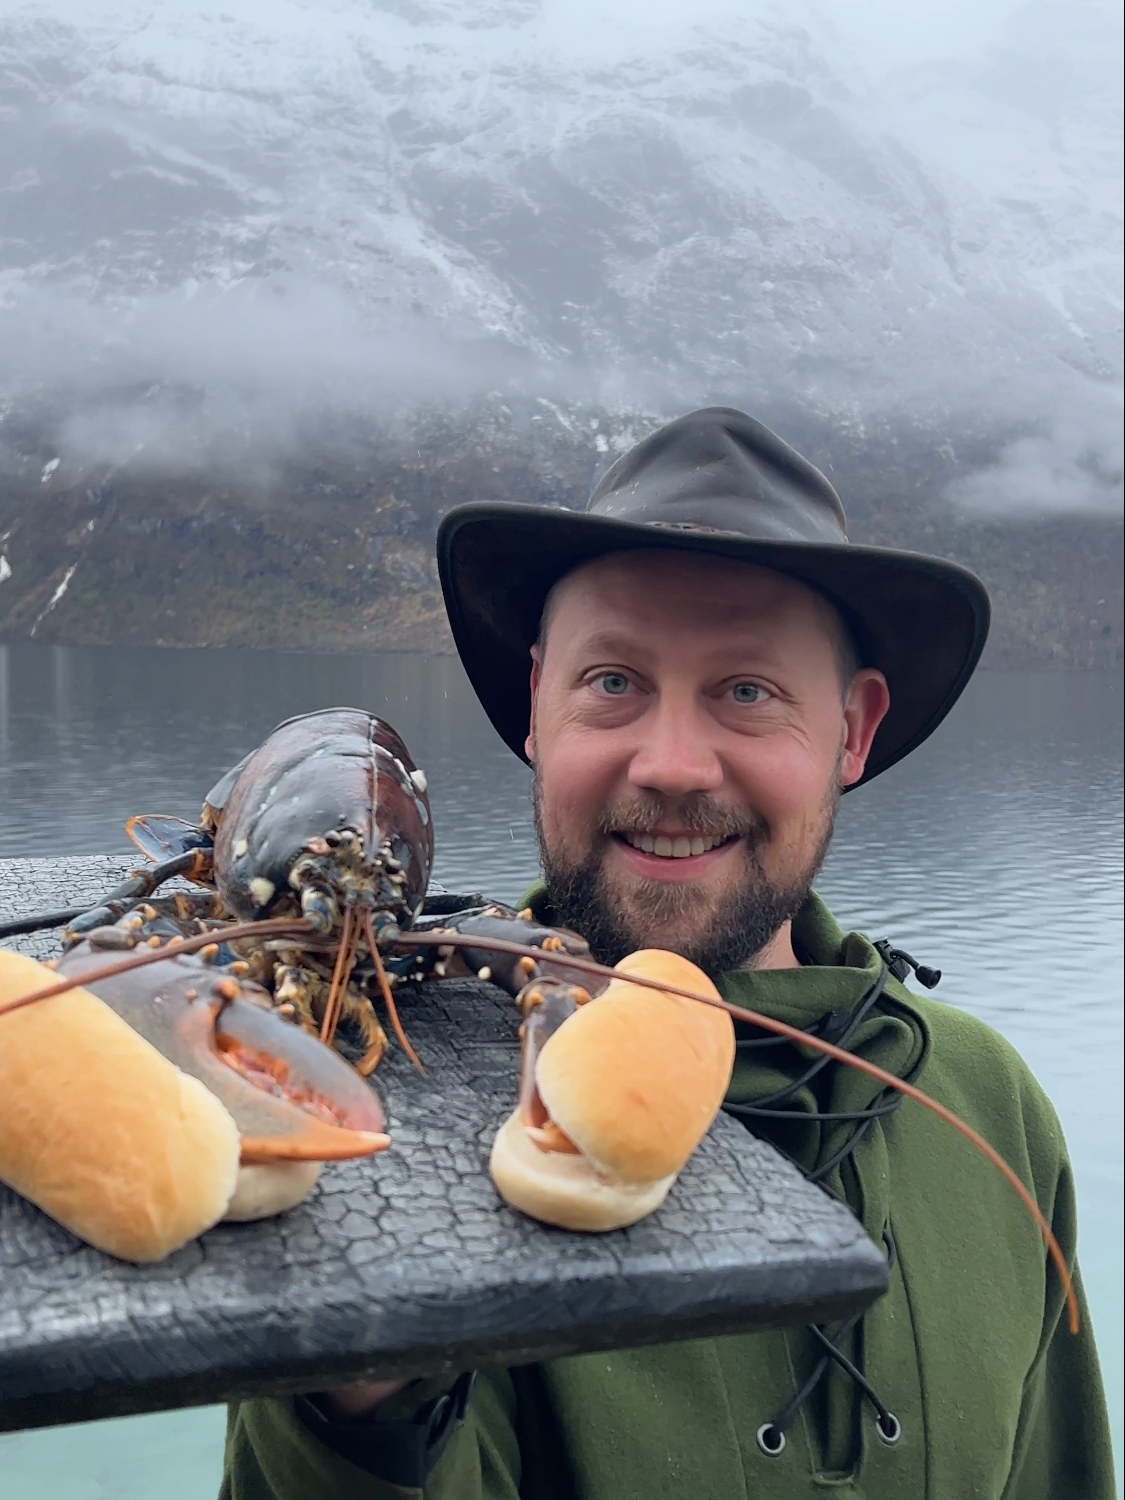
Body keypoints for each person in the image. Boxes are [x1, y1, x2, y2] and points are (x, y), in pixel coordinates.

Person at [221, 410, 1113, 1499]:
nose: (675, 764)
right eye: (612, 683)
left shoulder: (987, 1106)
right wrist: (354, 1394)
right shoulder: (377, 1085)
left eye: (747, 691)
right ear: (537, 709)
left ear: (852, 731)